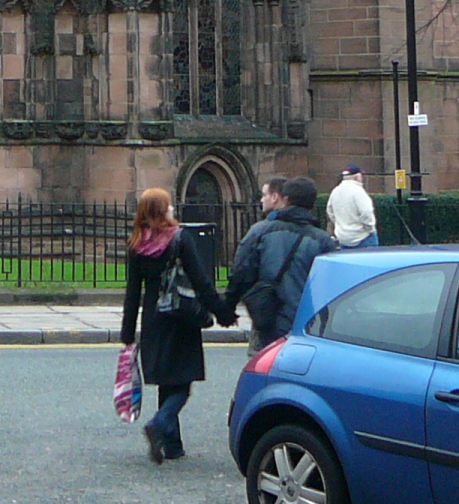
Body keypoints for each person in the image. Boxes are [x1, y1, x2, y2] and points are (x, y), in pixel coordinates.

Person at [119, 187, 233, 465]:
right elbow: (201, 281)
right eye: (168, 205)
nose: (172, 209)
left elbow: (132, 293)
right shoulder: (179, 238)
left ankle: (172, 446)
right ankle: (159, 423)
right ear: (161, 211)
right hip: (181, 317)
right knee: (182, 384)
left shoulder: (137, 244)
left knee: (167, 381)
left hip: (153, 320)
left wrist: (127, 333)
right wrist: (222, 312)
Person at [222, 175, 335, 347]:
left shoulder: (260, 231)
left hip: (268, 319)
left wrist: (228, 308)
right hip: (308, 322)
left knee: (266, 360)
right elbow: (330, 286)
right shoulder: (323, 241)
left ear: (286, 200)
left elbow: (241, 272)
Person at [326, 165, 379, 248]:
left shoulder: (335, 191)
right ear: (357, 177)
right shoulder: (358, 191)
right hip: (363, 237)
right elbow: (366, 212)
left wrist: (339, 224)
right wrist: (370, 229)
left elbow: (330, 211)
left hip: (343, 238)